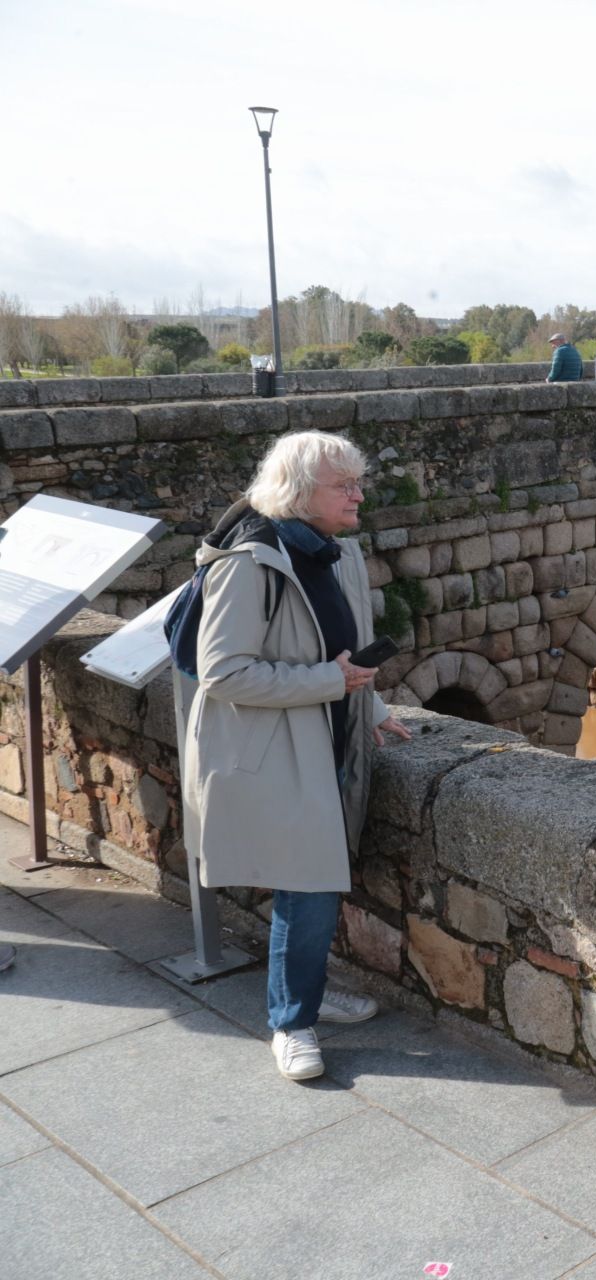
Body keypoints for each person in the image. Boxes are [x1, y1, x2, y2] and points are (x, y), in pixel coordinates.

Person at [176, 431, 413, 1082]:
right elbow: (222, 672)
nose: (360, 493)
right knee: (307, 884)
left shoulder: (339, 553)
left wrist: (374, 706)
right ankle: (292, 1023)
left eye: (358, 482)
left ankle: (306, 990)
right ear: (302, 493)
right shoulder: (249, 562)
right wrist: (330, 685)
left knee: (311, 879)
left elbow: (348, 648)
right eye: (346, 485)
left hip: (326, 735)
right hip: (274, 748)